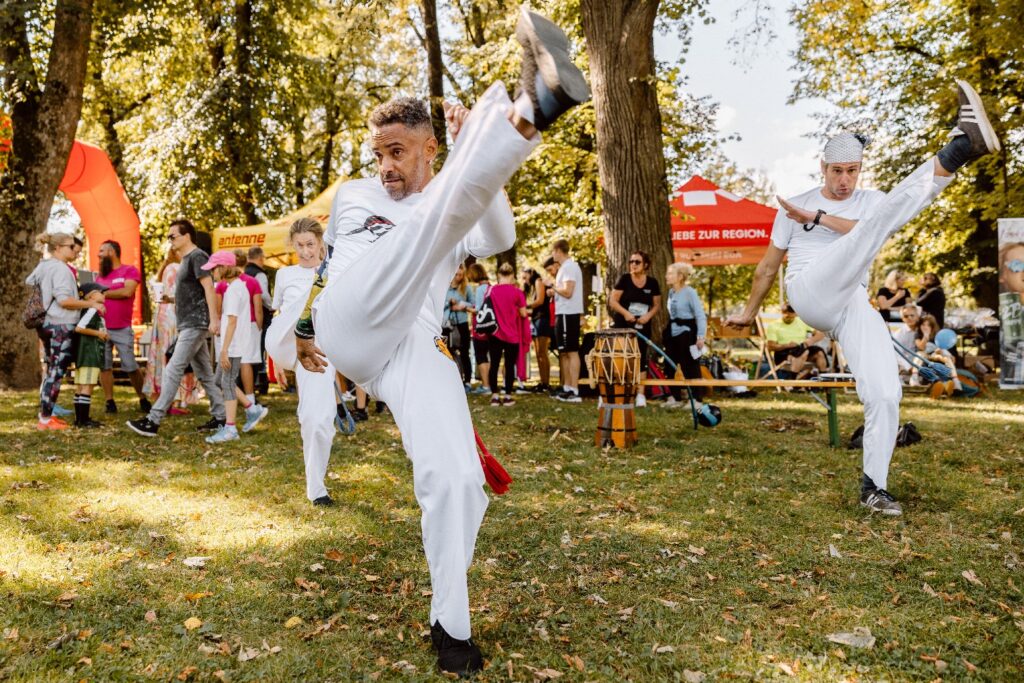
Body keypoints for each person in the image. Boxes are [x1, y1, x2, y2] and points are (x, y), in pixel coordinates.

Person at [293, 10, 588, 674]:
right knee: (421, 232)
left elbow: (497, 234)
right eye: (379, 153)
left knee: (458, 480)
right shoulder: (354, 196)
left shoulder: (450, 197)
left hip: (415, 342)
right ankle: (525, 112)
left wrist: (472, 151)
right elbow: (340, 268)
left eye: (398, 152)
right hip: (354, 317)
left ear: (429, 148)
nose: (386, 166)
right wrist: (305, 331)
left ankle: (448, 622)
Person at [727, 80, 1000, 515]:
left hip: (850, 302)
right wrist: (746, 313)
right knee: (874, 227)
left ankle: (874, 486)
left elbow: (866, 232)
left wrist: (817, 218)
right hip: (810, 290)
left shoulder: (868, 202)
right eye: (837, 172)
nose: (845, 180)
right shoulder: (792, 204)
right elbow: (767, 267)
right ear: (822, 168)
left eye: (852, 171)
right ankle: (958, 148)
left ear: (859, 168)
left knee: (886, 391)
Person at [126, 219, 227, 436]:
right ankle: (221, 417)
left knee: (173, 369)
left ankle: (153, 420)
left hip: (196, 323)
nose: (170, 240)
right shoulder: (186, 260)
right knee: (205, 374)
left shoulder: (197, 256)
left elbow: (209, 287)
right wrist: (170, 299)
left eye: (173, 236)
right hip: (188, 322)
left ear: (186, 236)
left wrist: (214, 319)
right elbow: (192, 292)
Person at [266, 218, 338, 506]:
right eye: (300, 245)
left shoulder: (336, 270)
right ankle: (315, 293)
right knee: (311, 296)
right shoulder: (284, 275)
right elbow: (278, 316)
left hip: (320, 349)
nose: (306, 251)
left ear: (321, 243)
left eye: (311, 244)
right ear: (292, 245)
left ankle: (316, 488)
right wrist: (274, 361)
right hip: (288, 344)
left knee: (318, 420)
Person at [27, 232, 104, 431]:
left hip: (47, 323)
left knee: (52, 370)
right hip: (60, 324)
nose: (75, 251)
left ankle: (46, 416)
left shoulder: (44, 266)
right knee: (56, 372)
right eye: (71, 246)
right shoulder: (60, 269)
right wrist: (91, 303)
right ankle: (45, 419)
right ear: (58, 247)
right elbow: (64, 300)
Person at [202, 250, 254, 444]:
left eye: (213, 269)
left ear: (223, 268)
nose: (212, 273)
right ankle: (251, 408)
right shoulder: (236, 287)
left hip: (232, 346)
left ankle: (230, 428)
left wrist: (224, 350)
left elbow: (232, 321)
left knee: (227, 384)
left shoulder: (233, 291)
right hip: (232, 344)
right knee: (220, 381)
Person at [95, 240, 150, 414]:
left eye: (102, 251)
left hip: (122, 328)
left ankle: (143, 399)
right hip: (102, 327)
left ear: (112, 252)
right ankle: (109, 402)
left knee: (130, 365)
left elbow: (127, 292)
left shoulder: (129, 271)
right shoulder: (99, 276)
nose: (99, 254)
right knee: (104, 366)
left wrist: (102, 293)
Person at [144, 247, 200, 413]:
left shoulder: (166, 268)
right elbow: (183, 293)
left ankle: (166, 398)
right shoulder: (177, 268)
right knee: (177, 355)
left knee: (165, 354)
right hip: (175, 314)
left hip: (163, 315)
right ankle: (175, 401)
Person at [662, 262, 716, 419]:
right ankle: (675, 398)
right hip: (672, 334)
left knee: (690, 366)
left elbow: (700, 315)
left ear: (680, 277)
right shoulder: (671, 292)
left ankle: (697, 399)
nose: (667, 276)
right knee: (669, 365)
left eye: (670, 273)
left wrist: (700, 337)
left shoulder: (690, 292)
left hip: (687, 334)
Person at [608, 250, 661, 407]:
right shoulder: (624, 279)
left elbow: (656, 305)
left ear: (645, 264)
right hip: (624, 324)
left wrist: (648, 316)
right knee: (622, 357)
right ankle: (622, 392)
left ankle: (640, 395)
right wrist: (625, 313)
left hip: (642, 325)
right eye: (631, 262)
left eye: (637, 262)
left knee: (640, 357)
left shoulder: (652, 283)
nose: (633, 265)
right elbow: (613, 301)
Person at [545, 238, 583, 402]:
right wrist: (554, 292)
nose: (552, 254)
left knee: (571, 351)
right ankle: (567, 387)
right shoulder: (564, 268)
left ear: (559, 251)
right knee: (564, 351)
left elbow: (568, 291)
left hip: (569, 313)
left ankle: (574, 389)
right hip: (563, 313)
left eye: (553, 251)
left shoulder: (569, 267)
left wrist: (552, 286)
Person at [487, 262, 528, 406]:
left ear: (499, 275)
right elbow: (523, 313)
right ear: (512, 276)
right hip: (512, 335)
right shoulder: (517, 292)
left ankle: (494, 396)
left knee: (494, 365)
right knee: (509, 366)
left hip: (495, 333)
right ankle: (508, 396)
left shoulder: (491, 290)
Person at [73, 283, 110, 428]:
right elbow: (79, 328)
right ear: (90, 296)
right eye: (101, 292)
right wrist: (98, 333)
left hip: (84, 353)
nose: (104, 295)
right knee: (87, 386)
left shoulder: (90, 310)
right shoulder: (92, 310)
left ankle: (79, 419)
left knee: (81, 387)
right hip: (89, 353)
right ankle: (83, 420)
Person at [765, 304, 828, 379]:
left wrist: (810, 341)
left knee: (819, 353)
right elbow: (771, 346)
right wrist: (787, 345)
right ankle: (793, 381)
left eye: (792, 317)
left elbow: (820, 334)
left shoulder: (801, 321)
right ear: (782, 313)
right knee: (803, 353)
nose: (790, 319)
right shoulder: (774, 325)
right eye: (787, 316)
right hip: (784, 353)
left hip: (802, 348)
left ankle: (825, 382)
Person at [245, 245, 274, 394]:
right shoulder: (260, 274)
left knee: (246, 353)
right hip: (258, 317)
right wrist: (271, 306)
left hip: (244, 318)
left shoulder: (243, 273)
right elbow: (263, 295)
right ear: (260, 258)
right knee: (258, 351)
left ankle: (248, 387)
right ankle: (257, 384)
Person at [444, 263, 473, 389]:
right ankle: (449, 380)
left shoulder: (467, 288)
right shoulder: (445, 287)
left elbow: (473, 305)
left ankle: (467, 381)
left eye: (461, 275)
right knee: (447, 352)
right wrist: (448, 303)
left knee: (464, 352)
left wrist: (461, 304)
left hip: (461, 324)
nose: (458, 277)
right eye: (456, 274)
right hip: (446, 324)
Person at [527, 259, 554, 393]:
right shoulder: (533, 285)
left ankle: (546, 382)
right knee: (538, 353)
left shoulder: (538, 281)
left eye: (524, 276)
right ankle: (542, 382)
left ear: (530, 273)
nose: (523, 279)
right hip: (536, 319)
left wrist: (525, 306)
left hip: (543, 319)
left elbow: (540, 301)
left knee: (543, 352)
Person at [466, 262, 492, 393]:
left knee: (481, 355)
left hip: (480, 326)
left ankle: (486, 385)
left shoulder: (480, 289)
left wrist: (466, 308)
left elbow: (478, 309)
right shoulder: (490, 287)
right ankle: (488, 383)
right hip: (490, 327)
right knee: (486, 355)